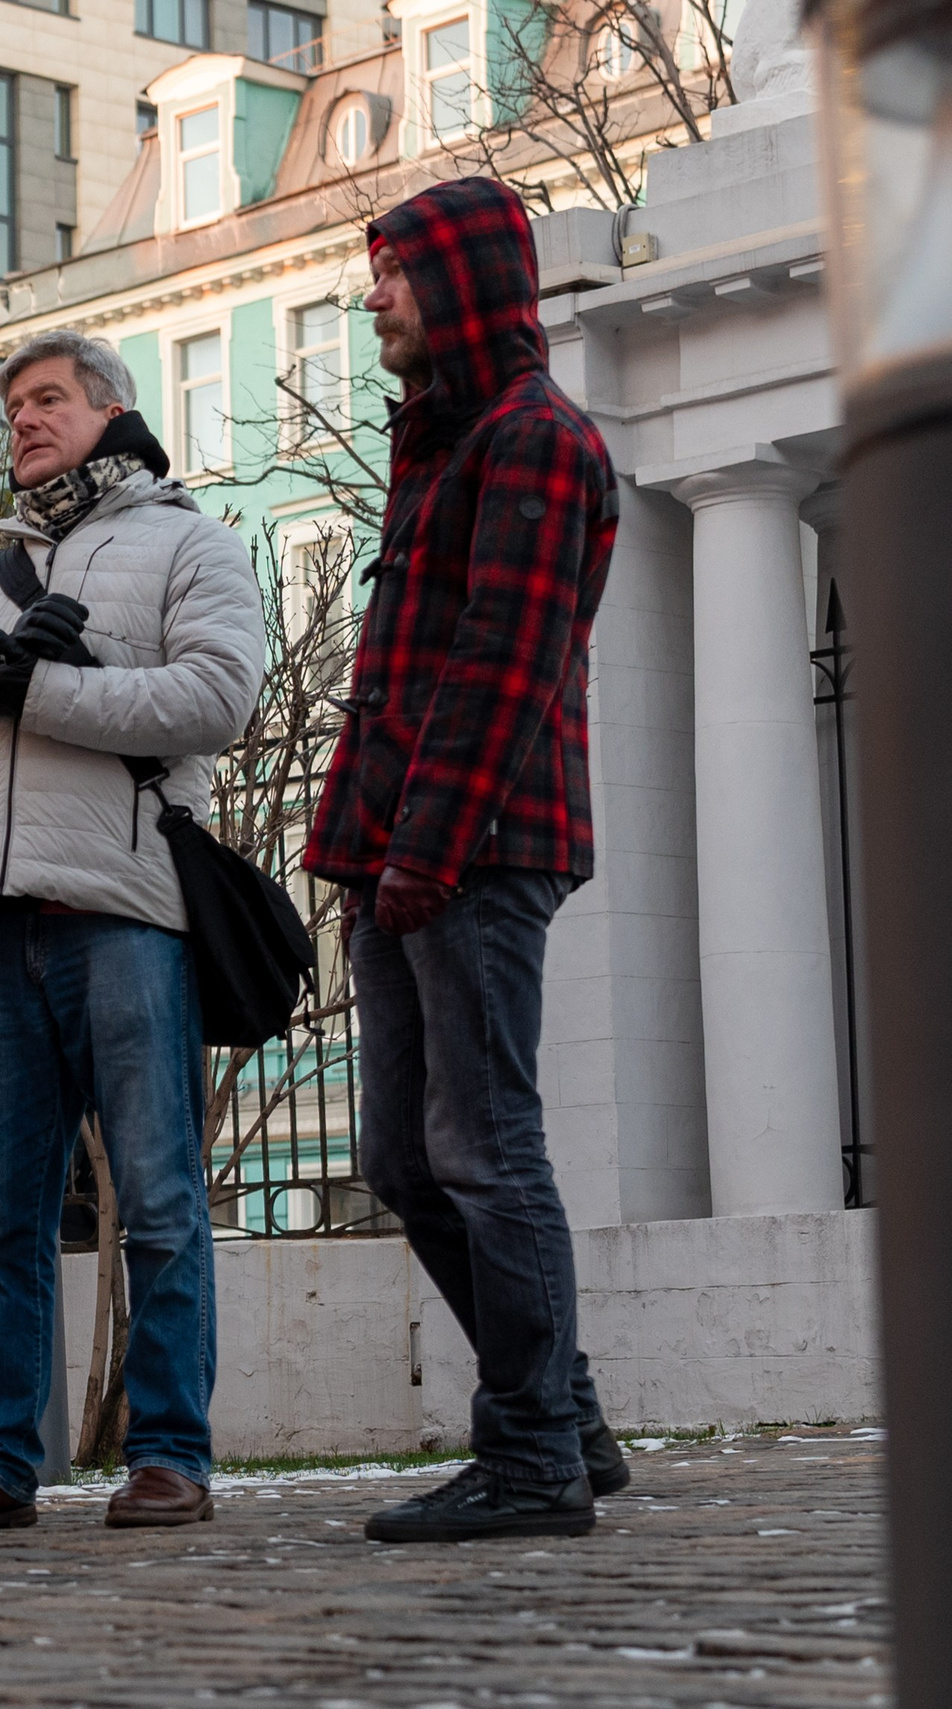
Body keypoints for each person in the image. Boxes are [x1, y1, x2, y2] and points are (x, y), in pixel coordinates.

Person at [0, 330, 264, 1532]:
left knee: (157, 1196)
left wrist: (42, 689)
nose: (26, 422)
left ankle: (169, 1454)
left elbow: (217, 696)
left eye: (48, 399)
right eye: (13, 410)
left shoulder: (190, 543)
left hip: (124, 911)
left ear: (110, 410)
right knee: (1, 1212)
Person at [306, 179, 627, 1545]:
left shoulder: (537, 440)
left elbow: (503, 668)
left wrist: (423, 855)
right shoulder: (444, 442)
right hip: (406, 854)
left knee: (487, 1150)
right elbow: (399, 675)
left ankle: (534, 1455)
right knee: (402, 1156)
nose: (373, 294)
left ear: (463, 284)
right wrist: (362, 849)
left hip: (476, 850)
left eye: (394, 272)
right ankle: (572, 1418)